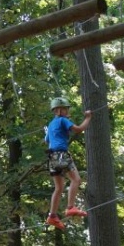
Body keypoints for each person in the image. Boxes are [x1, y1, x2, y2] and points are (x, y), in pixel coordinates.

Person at [44, 97, 92, 230]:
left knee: (59, 187)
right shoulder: (63, 120)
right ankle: (70, 207)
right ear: (58, 110)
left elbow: (47, 140)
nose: (67, 111)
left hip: (52, 157)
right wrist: (88, 117)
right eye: (65, 109)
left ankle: (52, 216)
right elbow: (78, 129)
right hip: (61, 155)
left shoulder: (51, 124)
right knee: (76, 180)